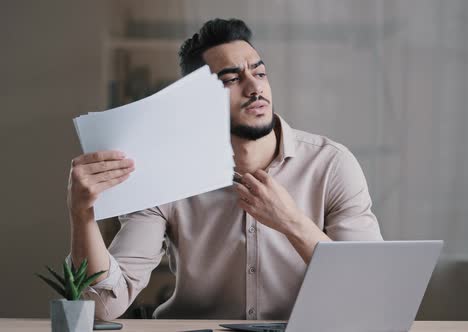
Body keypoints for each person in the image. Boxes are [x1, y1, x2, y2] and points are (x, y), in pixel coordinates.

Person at [67, 18, 382, 321]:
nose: (253, 88)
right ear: (196, 100)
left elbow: (371, 290)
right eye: (231, 79)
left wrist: (292, 222)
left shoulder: (332, 165)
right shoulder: (165, 175)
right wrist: (82, 213)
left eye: (259, 73)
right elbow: (105, 306)